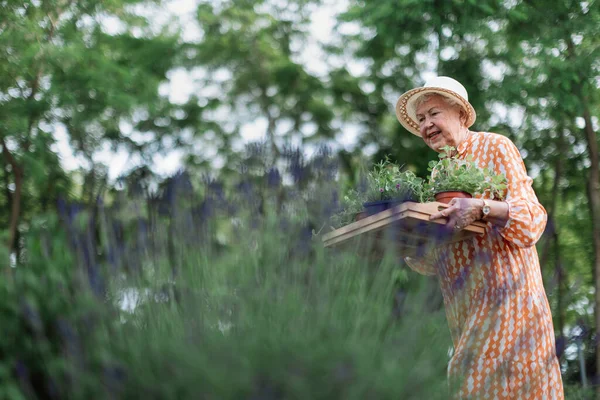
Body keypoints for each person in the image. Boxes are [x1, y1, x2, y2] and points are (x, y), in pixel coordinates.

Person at [395, 76, 564, 399]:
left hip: (511, 306)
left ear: (460, 112)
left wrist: (482, 206)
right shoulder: (438, 175)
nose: (426, 125)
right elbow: (437, 259)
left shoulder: (495, 146)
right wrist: (405, 244)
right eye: (421, 119)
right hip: (466, 314)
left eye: (433, 114)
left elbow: (531, 220)